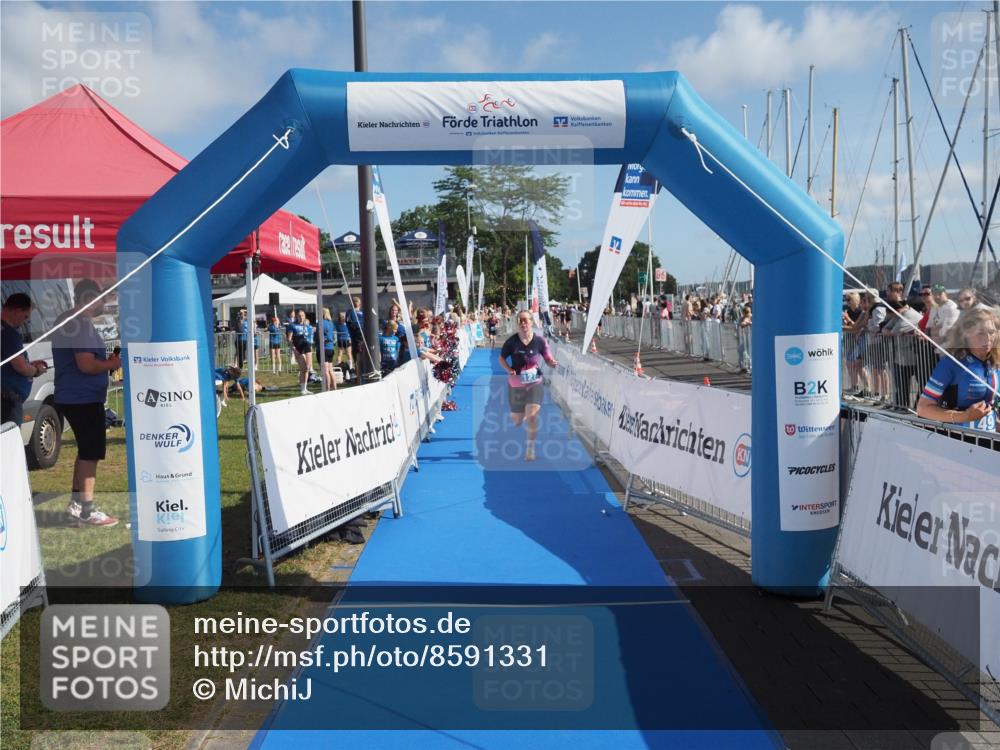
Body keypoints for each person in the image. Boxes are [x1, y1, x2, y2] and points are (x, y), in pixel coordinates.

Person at [50, 279, 120, 527]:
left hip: (76, 396)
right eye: (102, 298)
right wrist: (112, 364)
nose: (104, 303)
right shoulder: (78, 323)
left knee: (85, 452)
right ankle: (87, 511)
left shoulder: (69, 319)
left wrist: (106, 362)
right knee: (91, 453)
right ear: (90, 299)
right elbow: (86, 364)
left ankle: (77, 504)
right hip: (82, 398)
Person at [916, 307, 999, 431]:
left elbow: (991, 404)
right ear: (965, 334)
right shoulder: (951, 363)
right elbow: (923, 408)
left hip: (989, 440)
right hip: (957, 440)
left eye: (991, 332)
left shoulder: (995, 363)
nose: (988, 339)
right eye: (980, 333)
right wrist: (964, 416)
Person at [498, 310, 559, 462]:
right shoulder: (511, 342)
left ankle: (530, 449)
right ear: (517, 324)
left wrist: (551, 362)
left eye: (526, 320)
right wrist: (509, 370)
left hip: (535, 382)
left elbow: (548, 357)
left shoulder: (540, 341)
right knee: (517, 421)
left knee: (532, 416)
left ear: (532, 322)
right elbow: (501, 358)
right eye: (520, 321)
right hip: (516, 383)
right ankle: (521, 415)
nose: (523, 323)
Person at [1, 293, 49, 426]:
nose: (26, 321)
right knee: (10, 441)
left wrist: (29, 365)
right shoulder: (8, 333)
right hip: (7, 402)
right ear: (17, 311)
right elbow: (20, 367)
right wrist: (36, 370)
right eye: (26, 316)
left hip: (6, 397)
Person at [287, 309, 314, 395]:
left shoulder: (307, 326)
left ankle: (305, 388)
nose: (301, 317)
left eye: (302, 315)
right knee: (303, 368)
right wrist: (293, 348)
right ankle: (302, 389)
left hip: (307, 347)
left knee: (308, 368)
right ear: (297, 317)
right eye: (299, 316)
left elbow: (310, 337)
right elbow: (289, 339)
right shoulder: (292, 325)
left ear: (305, 316)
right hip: (298, 348)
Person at [320, 308, 337, 391]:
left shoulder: (322, 323)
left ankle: (327, 388)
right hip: (331, 348)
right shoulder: (331, 323)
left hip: (325, 347)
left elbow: (320, 335)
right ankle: (334, 386)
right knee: (331, 370)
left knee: (325, 370)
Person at [334, 311, 353, 376]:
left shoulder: (337, 323)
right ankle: (350, 367)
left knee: (340, 354)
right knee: (348, 354)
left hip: (341, 340)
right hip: (346, 339)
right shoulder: (347, 323)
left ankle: (338, 366)